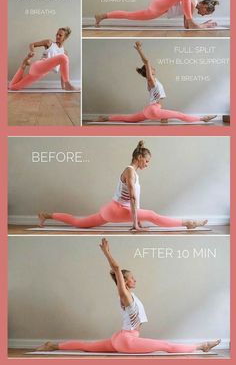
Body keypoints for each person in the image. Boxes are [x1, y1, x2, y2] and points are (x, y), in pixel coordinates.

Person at [36, 238, 221, 354]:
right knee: (166, 346)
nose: (135, 279)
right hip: (127, 340)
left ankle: (52, 346)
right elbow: (116, 269)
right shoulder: (124, 295)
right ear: (124, 282)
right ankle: (201, 346)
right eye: (131, 278)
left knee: (87, 346)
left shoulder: (130, 296)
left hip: (119, 338)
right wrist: (107, 253)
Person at [38, 141, 208, 231]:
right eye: (147, 161)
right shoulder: (130, 172)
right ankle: (188, 223)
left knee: (79, 222)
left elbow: (135, 201)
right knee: (152, 215)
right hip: (116, 210)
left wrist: (138, 221)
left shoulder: (133, 172)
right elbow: (133, 199)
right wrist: (135, 223)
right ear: (139, 157)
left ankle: (46, 214)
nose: (147, 164)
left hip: (113, 209)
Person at [98, 42, 217, 124]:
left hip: (150, 110)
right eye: (151, 68)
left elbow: (158, 100)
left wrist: (162, 116)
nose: (153, 68)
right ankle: (203, 118)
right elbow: (147, 61)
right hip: (153, 110)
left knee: (129, 119)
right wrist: (139, 50)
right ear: (149, 71)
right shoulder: (151, 79)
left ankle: (106, 118)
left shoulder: (153, 81)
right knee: (180, 115)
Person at [95, 0, 219, 30]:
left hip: (158, 9)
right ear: (204, 6)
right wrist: (205, 26)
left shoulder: (190, 6)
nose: (203, 15)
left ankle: (102, 16)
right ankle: (102, 16)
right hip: (160, 5)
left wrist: (198, 24)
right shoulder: (192, 2)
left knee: (130, 15)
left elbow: (187, 26)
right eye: (206, 12)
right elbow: (190, 25)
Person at [9, 27, 78, 91]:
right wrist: (32, 51)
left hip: (39, 74)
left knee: (13, 87)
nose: (57, 36)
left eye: (60, 35)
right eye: (57, 34)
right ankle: (68, 84)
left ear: (65, 38)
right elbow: (32, 44)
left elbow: (63, 72)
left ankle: (23, 65)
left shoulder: (64, 52)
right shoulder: (49, 42)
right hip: (38, 66)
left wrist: (63, 87)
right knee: (64, 57)